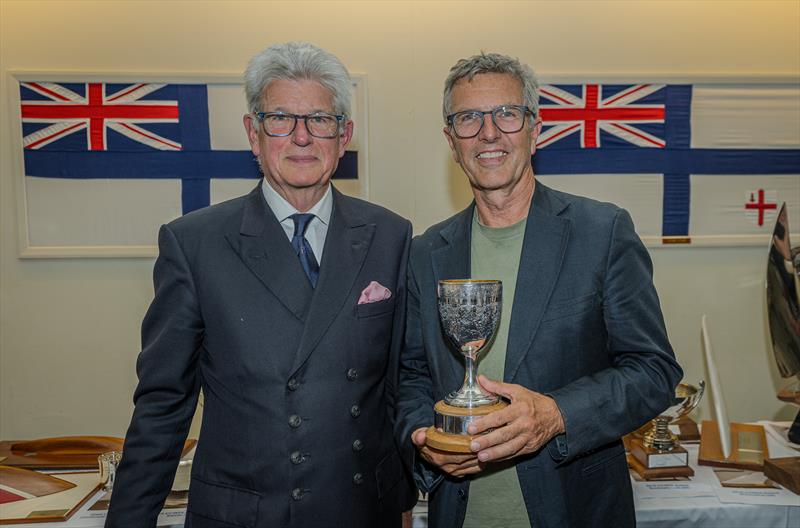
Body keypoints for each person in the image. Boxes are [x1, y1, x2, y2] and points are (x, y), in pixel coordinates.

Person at [106, 42, 416, 528]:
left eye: (319, 119)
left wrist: (403, 493)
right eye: (280, 119)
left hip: (363, 509)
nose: (302, 138)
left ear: (343, 135)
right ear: (253, 133)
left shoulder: (391, 235)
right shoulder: (194, 243)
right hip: (245, 514)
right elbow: (164, 404)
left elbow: (397, 386)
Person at [395, 52, 683, 528]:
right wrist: (425, 442)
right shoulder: (426, 252)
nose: (489, 133)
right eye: (469, 118)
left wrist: (556, 413)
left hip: (575, 510)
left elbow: (654, 371)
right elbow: (410, 377)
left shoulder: (602, 231)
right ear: (451, 140)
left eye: (507, 113)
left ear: (536, 128)